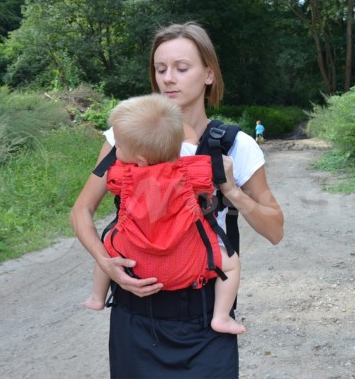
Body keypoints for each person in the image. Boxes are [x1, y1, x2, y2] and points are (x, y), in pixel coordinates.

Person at [70, 22, 284, 378]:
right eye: (160, 69)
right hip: (135, 315)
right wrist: (106, 263)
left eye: (181, 68)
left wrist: (230, 189)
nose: (168, 78)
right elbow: (81, 211)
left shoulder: (234, 144)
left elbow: (275, 230)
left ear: (209, 74)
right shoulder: (123, 137)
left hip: (205, 323)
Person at [82, 93, 246, 336]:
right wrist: (169, 117)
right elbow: (189, 137)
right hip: (186, 260)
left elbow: (110, 182)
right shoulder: (190, 166)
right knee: (231, 264)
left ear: (138, 159)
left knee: (105, 250)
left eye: (119, 145)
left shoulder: (123, 175)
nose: (115, 150)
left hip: (133, 258)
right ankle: (221, 317)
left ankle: (97, 297)